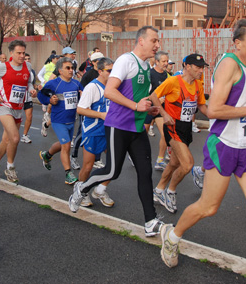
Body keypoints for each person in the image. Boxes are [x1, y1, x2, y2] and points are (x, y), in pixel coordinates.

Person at [159, 19, 246, 284]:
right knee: (208, 207)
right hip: (223, 145)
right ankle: (172, 235)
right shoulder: (229, 64)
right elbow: (213, 110)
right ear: (238, 43)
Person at [68, 26, 164, 238]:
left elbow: (139, 95)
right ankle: (81, 189)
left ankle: (150, 221)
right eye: (154, 40)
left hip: (137, 127)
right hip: (118, 125)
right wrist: (135, 106)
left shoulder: (145, 65)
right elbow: (110, 92)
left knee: (145, 173)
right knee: (112, 171)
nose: (158, 45)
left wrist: (150, 108)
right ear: (141, 41)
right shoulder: (125, 61)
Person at [151, 54, 208, 214]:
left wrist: (218, 116)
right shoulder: (173, 81)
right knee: (188, 164)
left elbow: (202, 106)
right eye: (198, 67)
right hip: (173, 126)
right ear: (187, 66)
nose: (201, 70)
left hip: (186, 127)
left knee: (175, 163)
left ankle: (159, 190)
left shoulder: (198, 85)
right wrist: (163, 113)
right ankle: (170, 192)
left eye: (202, 67)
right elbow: (154, 96)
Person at [0, 40, 36, 183]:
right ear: (11, 53)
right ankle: (10, 167)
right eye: (19, 53)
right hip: (4, 105)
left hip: (18, 108)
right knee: (15, 138)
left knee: (6, 139)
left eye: (23, 53)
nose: (21, 56)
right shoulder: (3, 67)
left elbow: (28, 81)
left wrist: (31, 89)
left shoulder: (28, 66)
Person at [75, 57, 115, 207]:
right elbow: (80, 109)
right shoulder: (92, 87)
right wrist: (100, 115)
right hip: (93, 130)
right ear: (100, 71)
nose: (112, 73)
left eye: (114, 70)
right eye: (109, 70)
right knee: (88, 166)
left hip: (109, 130)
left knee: (114, 164)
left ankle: (100, 189)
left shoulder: (114, 86)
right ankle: (81, 191)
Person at [38, 57, 84, 184]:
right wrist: (49, 100)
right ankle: (68, 173)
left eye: (72, 68)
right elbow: (40, 95)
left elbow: (83, 95)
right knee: (66, 146)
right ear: (60, 70)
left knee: (64, 143)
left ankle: (47, 155)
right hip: (58, 120)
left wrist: (82, 96)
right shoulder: (54, 83)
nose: (71, 70)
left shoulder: (76, 83)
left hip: (71, 120)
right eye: (67, 68)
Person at [145, 51, 170, 170]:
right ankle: (134, 153)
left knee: (165, 133)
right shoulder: (149, 74)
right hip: (148, 108)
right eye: (163, 61)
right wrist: (154, 99)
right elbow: (143, 93)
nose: (166, 63)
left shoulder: (168, 76)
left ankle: (159, 161)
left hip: (160, 109)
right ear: (157, 61)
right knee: (141, 134)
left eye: (167, 61)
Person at [20, 53, 37, 144]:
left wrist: (34, 90)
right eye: (25, 59)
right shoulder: (18, 70)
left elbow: (32, 83)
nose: (27, 61)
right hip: (18, 98)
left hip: (28, 97)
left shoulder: (32, 71)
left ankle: (24, 135)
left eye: (28, 59)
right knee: (17, 118)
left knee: (29, 116)